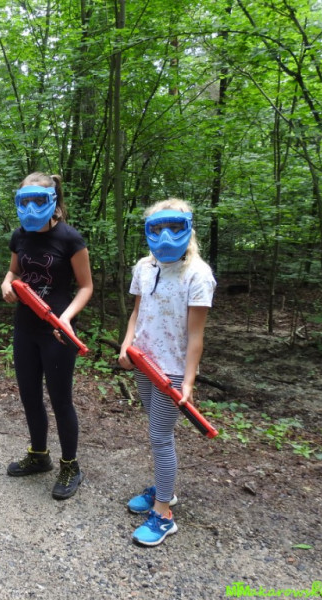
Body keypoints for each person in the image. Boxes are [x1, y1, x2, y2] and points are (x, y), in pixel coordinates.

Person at [118, 198, 215, 546]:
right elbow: (137, 312)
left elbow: (196, 335)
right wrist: (126, 345)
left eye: (174, 227)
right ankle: (164, 490)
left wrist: (188, 381)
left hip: (171, 370)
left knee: (160, 437)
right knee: (156, 429)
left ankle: (163, 513)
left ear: (188, 229)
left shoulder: (198, 274)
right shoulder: (144, 267)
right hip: (143, 362)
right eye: (158, 228)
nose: (166, 236)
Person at [0, 173, 93, 500]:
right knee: (29, 395)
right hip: (25, 327)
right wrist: (6, 283)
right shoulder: (19, 235)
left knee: (60, 399)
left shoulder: (70, 238)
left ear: (52, 200)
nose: (31, 207)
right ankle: (39, 455)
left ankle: (70, 465)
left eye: (38, 200)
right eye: (25, 201)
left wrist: (67, 318)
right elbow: (14, 271)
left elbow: (86, 286)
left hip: (58, 331)